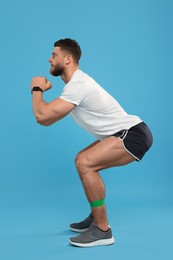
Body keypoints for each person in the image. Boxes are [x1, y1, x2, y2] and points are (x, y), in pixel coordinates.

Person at [30, 38, 153, 248]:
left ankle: (102, 230)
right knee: (81, 159)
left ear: (68, 59)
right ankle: (97, 217)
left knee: (85, 162)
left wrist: (36, 88)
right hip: (123, 133)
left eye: (54, 55)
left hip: (132, 134)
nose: (49, 59)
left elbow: (42, 117)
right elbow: (46, 118)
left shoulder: (78, 84)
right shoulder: (75, 85)